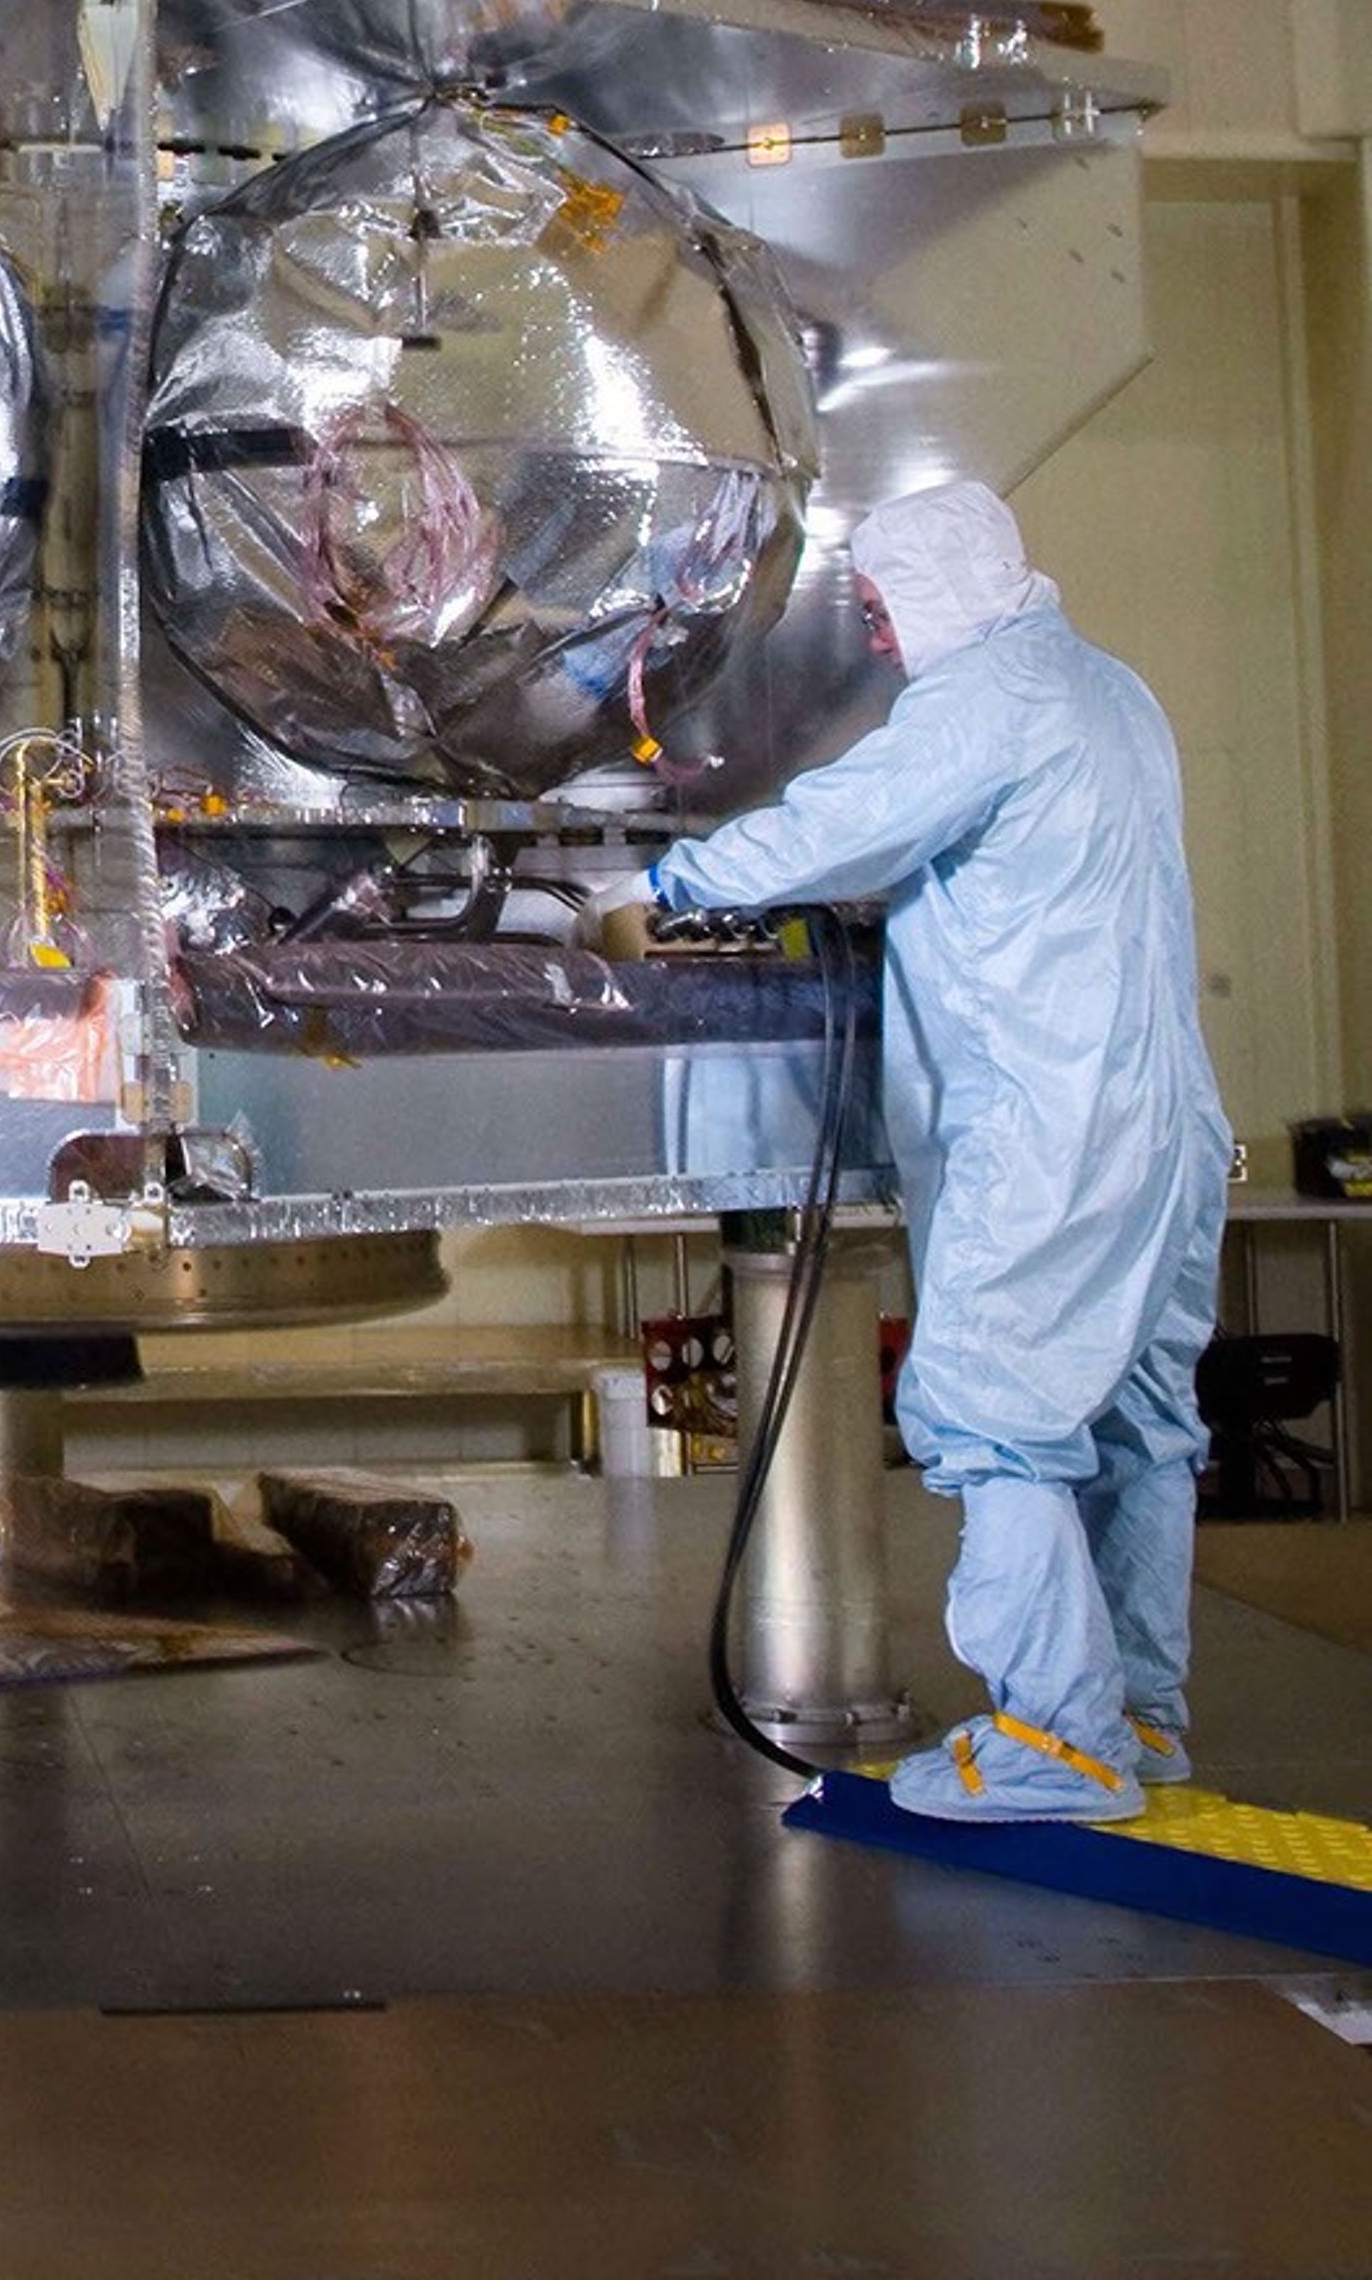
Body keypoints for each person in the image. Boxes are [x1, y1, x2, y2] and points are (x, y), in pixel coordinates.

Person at [586, 481, 1231, 1823]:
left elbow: (837, 823)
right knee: (1133, 1425)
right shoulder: (1110, 692)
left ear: (932, 592)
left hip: (1046, 1127)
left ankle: (1057, 1742)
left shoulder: (983, 703)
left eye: (880, 612)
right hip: (1164, 1121)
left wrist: (652, 890)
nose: (878, 643)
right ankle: (1138, 1714)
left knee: (993, 1417)